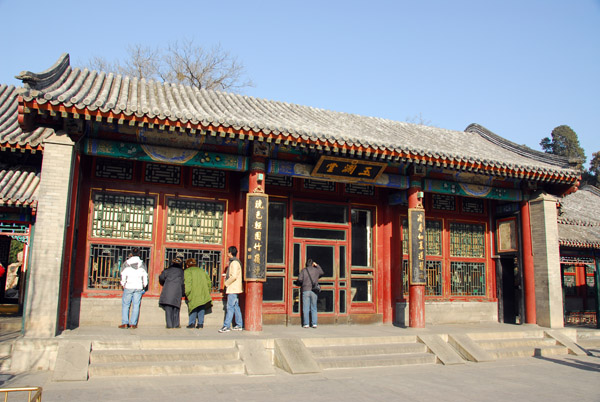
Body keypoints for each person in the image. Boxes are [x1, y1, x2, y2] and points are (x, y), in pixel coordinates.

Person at [119, 248, 148, 329]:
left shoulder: (126, 264)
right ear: (139, 254)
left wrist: (123, 284)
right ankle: (133, 324)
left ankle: (125, 322)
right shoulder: (142, 264)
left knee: (126, 305)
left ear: (131, 254)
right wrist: (144, 286)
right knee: (136, 305)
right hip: (138, 287)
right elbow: (145, 277)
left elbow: (123, 275)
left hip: (128, 286)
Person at [218, 246, 243, 333]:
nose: (227, 254)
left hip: (233, 288)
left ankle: (226, 326)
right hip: (235, 288)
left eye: (228, 252)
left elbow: (234, 276)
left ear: (230, 253)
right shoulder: (234, 262)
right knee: (236, 306)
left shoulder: (234, 263)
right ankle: (239, 325)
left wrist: (226, 283)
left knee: (230, 307)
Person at [184, 258, 212, 329]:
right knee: (201, 307)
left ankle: (192, 323)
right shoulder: (202, 271)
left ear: (187, 265)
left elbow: (188, 283)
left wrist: (187, 293)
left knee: (193, 307)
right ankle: (200, 324)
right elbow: (209, 282)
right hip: (203, 292)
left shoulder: (187, 271)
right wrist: (208, 292)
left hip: (193, 293)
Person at [159, 254, 185, 328]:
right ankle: (176, 324)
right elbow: (183, 283)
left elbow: (161, 278)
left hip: (168, 292)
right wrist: (183, 293)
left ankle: (169, 325)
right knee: (176, 309)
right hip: (177, 292)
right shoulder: (182, 272)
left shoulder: (167, 271)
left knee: (168, 309)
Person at [297, 259, 324, 328]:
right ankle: (314, 323)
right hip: (314, 290)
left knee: (306, 307)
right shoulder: (316, 270)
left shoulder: (303, 270)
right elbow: (322, 272)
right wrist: (317, 265)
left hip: (305, 290)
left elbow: (300, 279)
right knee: (314, 307)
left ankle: (306, 324)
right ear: (312, 264)